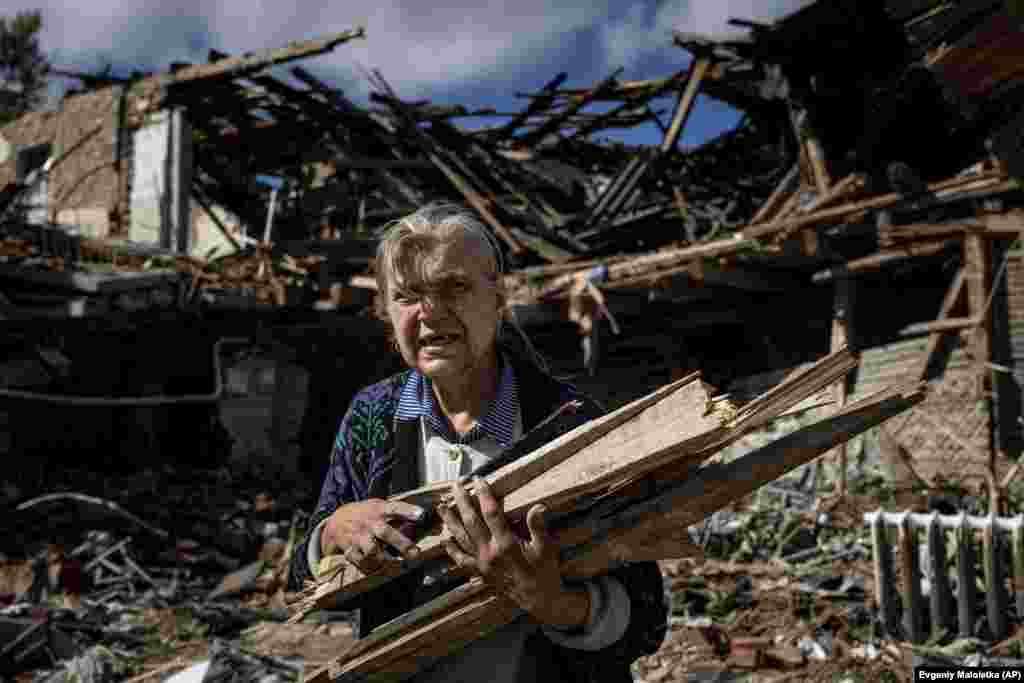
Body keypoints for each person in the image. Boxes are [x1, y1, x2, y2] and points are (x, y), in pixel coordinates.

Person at [289, 203, 668, 682]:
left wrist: (549, 599)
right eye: (408, 296)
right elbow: (298, 580)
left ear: (498, 299)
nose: (430, 314)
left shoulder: (569, 423)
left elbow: (648, 621)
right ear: (385, 311)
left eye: (455, 288)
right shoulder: (373, 415)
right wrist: (332, 532)